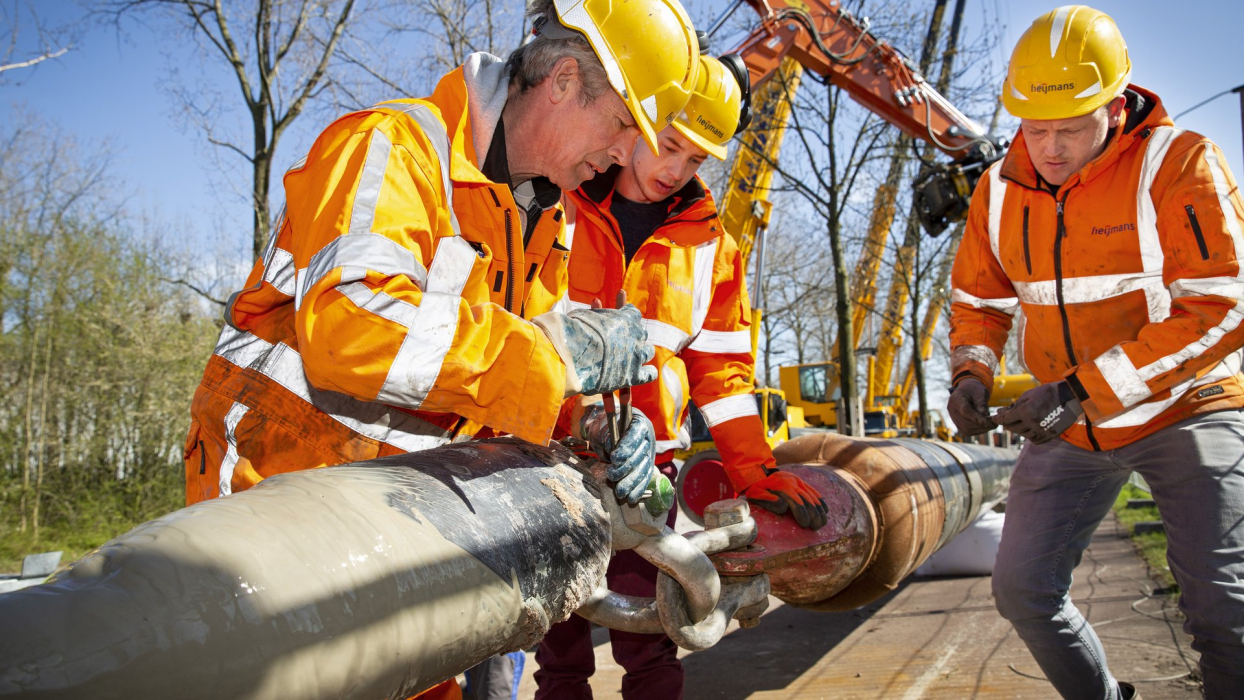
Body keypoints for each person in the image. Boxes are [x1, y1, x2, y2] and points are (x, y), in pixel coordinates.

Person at [181, 0, 701, 697]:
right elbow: (350, 325)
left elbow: (509, 383)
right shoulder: (389, 149)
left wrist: (591, 426)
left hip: (403, 530)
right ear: (564, 81)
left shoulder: (545, 221)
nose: (622, 154)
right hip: (276, 521)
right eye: (620, 127)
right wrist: (552, 358)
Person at [947, 6, 1244, 699]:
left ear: (1114, 106)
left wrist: (1078, 390)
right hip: (1070, 424)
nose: (1049, 148)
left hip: (1186, 409)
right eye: (1036, 128)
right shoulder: (995, 191)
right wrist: (970, 372)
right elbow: (980, 302)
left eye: (1071, 129)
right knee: (1023, 591)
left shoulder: (1181, 163)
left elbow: (1224, 308)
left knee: (1223, 612)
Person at [532, 54, 829, 700]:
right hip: (550, 466)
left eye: (695, 160)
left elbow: (722, 375)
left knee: (656, 640)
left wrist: (756, 472)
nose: (674, 170)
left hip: (647, 479)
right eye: (669, 145)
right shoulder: (559, 203)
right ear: (634, 117)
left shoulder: (711, 247)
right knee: (559, 651)